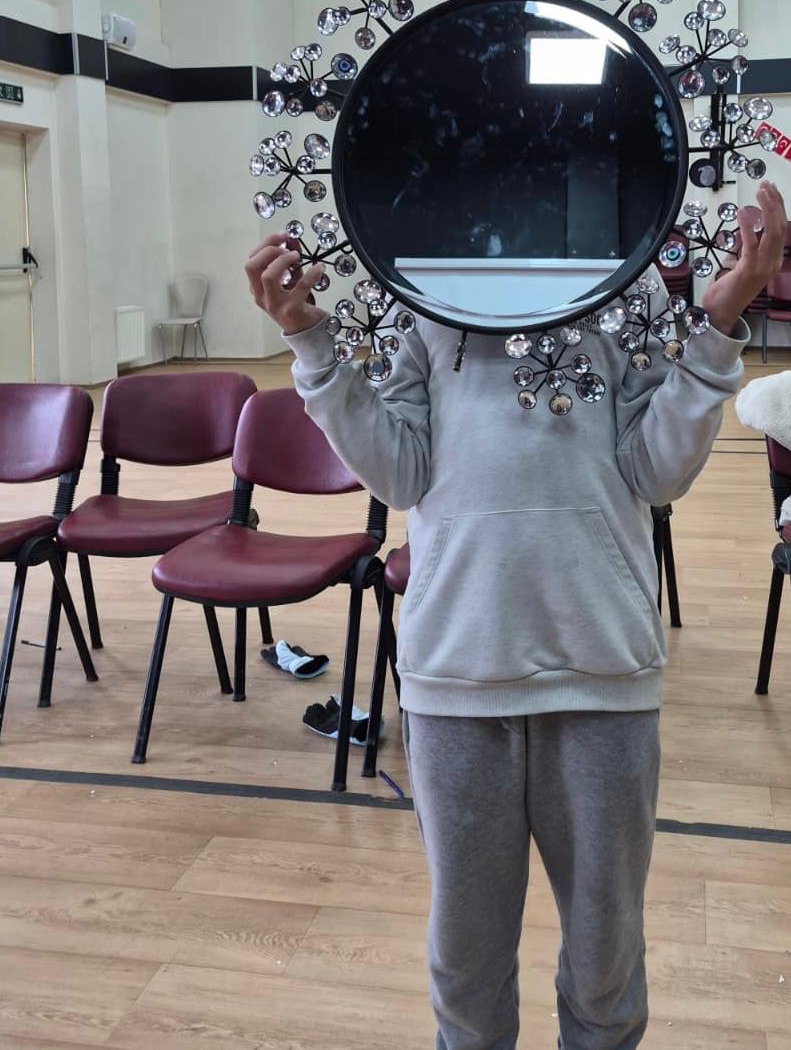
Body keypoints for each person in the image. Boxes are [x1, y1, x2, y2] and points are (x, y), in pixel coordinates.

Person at [245, 180, 787, 1050]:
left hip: (601, 677)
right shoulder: (422, 295)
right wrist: (310, 343)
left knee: (606, 964)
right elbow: (398, 473)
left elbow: (657, 472)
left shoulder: (630, 286)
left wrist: (718, 323)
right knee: (464, 968)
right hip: (457, 678)